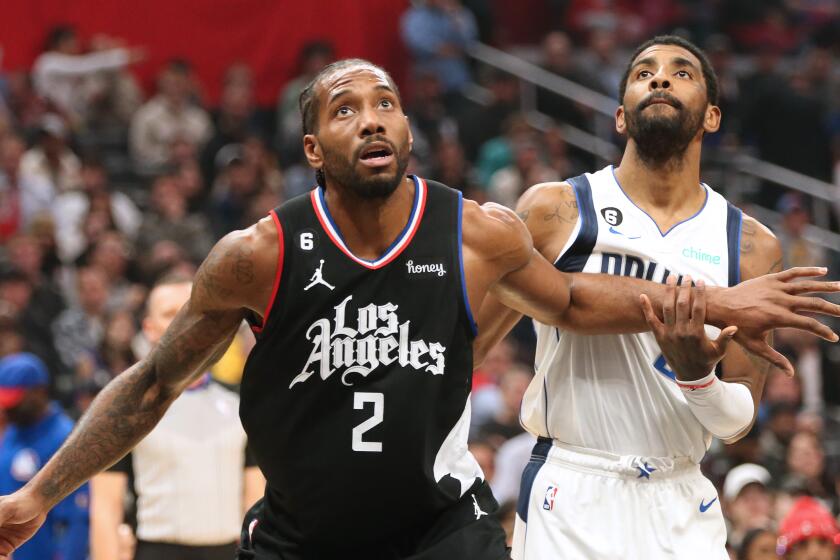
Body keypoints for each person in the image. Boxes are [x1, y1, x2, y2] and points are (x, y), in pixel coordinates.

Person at [0, 58, 837, 560]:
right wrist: (39, 496)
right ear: (311, 148)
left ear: (406, 128)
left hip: (443, 532)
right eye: (345, 110)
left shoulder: (477, 235)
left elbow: (578, 298)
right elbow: (150, 385)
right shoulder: (258, 254)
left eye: (386, 104)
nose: (371, 120)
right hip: (301, 536)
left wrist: (720, 297)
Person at [474, 35, 838, 559]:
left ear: (712, 117)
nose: (660, 78)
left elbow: (736, 422)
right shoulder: (558, 210)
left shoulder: (752, 244)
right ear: (621, 116)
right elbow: (472, 347)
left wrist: (698, 379)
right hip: (572, 483)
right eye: (644, 72)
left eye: (681, 72)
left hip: (680, 496)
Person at [90, 274, 264, 560]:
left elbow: (255, 501)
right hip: (155, 550)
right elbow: (105, 509)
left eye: (191, 311)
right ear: (149, 328)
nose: (183, 322)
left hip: (226, 551)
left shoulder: (239, 404)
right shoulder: (123, 408)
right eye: (170, 313)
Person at [0, 353, 88, 560]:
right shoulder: (12, 433)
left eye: (14, 403)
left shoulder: (66, 439)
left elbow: (76, 519)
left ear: (39, 392)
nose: (6, 410)